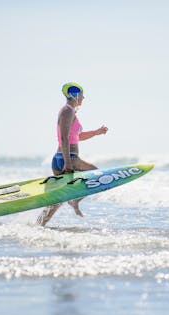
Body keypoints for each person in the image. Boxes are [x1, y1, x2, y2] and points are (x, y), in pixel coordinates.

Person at [37, 82, 108, 226]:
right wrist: (68, 163)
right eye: (82, 94)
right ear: (75, 94)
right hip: (69, 159)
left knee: (58, 199)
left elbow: (78, 136)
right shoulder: (67, 111)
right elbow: (63, 137)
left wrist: (96, 132)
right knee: (98, 174)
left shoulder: (70, 112)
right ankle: (75, 200)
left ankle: (39, 224)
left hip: (61, 159)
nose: (83, 98)